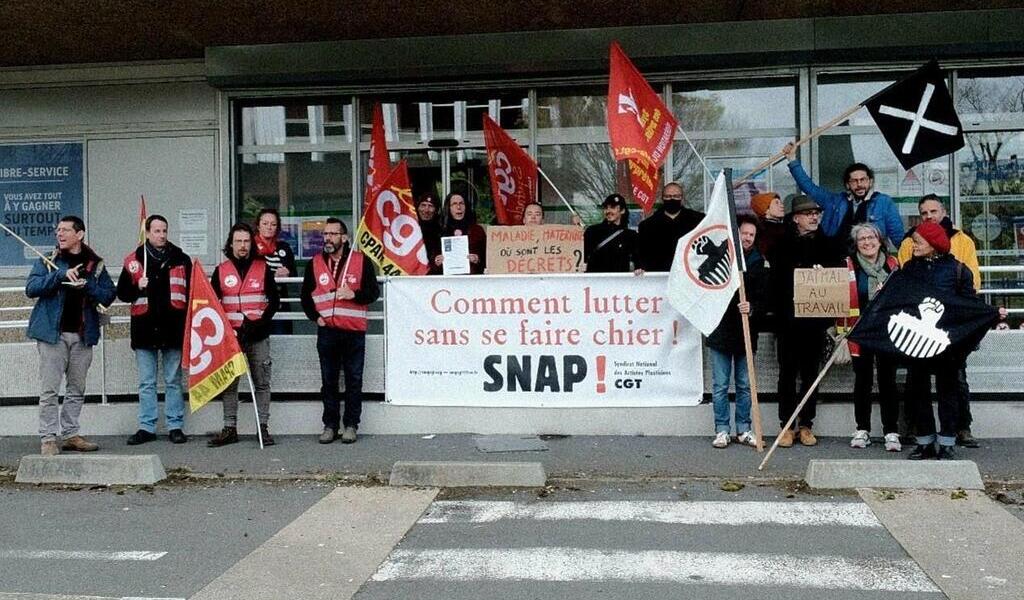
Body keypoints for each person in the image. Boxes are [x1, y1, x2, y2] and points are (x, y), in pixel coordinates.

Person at [26, 216, 116, 455]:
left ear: (80, 234)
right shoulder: (49, 260)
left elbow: (108, 295)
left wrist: (88, 285)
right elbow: (31, 289)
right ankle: (47, 438)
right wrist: (59, 276)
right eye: (58, 230)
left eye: (65, 230)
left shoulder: (95, 264)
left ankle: (70, 434)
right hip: (52, 335)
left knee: (77, 388)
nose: (60, 234)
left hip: (83, 335)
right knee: (50, 390)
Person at [896, 194, 981, 448]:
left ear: (933, 243)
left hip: (947, 341)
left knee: (949, 391)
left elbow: (969, 304)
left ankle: (947, 442)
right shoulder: (910, 268)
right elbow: (900, 298)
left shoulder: (958, 270)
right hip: (918, 341)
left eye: (918, 241)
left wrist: (985, 319)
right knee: (918, 390)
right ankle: (924, 442)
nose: (914, 245)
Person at [767, 196, 845, 448]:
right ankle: (787, 426)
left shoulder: (830, 245)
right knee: (787, 374)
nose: (814, 217)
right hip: (788, 321)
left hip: (816, 322)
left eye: (816, 213)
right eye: (808, 213)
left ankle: (807, 424)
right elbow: (775, 283)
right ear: (795, 218)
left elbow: (838, 279)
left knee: (811, 373)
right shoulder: (780, 245)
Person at [300, 218, 380, 444]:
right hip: (328, 332)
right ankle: (330, 425)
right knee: (329, 381)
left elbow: (373, 293)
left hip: (353, 332)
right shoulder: (314, 263)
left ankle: (351, 425)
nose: (328, 238)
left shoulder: (360, 261)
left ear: (344, 238)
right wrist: (315, 318)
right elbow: (306, 297)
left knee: (354, 380)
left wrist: (354, 294)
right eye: (325, 234)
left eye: (333, 234)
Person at [117, 215, 191, 445]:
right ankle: (146, 427)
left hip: (173, 329)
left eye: (164, 231)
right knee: (146, 382)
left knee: (173, 380)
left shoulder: (181, 259)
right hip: (145, 330)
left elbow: (191, 294)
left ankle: (175, 426)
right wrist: (136, 285)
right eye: (157, 231)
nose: (161, 235)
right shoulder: (134, 260)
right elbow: (122, 294)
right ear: (147, 233)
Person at [207, 223, 280, 447]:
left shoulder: (263, 268)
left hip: (257, 334)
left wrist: (261, 324)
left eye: (246, 241)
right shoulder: (221, 270)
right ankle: (230, 428)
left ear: (252, 243)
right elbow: (212, 304)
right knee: (229, 384)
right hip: (232, 337)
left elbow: (274, 301)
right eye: (238, 241)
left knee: (261, 383)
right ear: (231, 243)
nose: (242, 245)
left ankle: (262, 428)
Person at [707, 215, 767, 448]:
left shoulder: (760, 262)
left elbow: (765, 298)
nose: (748, 238)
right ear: (736, 233)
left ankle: (744, 428)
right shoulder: (722, 257)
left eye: (752, 235)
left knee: (744, 383)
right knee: (720, 384)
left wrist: (752, 307)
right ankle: (722, 429)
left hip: (746, 331)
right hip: (721, 330)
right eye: (744, 233)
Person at [842, 223, 901, 452]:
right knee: (862, 381)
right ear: (856, 244)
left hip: (887, 332)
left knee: (888, 381)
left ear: (880, 240)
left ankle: (891, 431)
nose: (867, 242)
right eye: (862, 239)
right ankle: (862, 429)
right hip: (860, 331)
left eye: (871, 237)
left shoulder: (893, 264)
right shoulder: (848, 265)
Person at [782, 142, 904, 246]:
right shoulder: (835, 201)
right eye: (854, 181)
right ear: (847, 185)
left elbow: (897, 236)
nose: (859, 184)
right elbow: (809, 187)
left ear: (870, 181)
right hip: (837, 263)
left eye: (863, 179)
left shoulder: (883, 202)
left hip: (870, 263)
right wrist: (792, 159)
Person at [637, 182, 704, 272]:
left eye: (676, 196)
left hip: (689, 275)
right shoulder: (647, 226)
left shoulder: (698, 221)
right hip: (658, 277)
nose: (672, 199)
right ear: (662, 198)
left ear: (682, 198)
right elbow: (642, 254)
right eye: (668, 196)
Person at [253, 208, 297, 333]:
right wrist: (273, 276)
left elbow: (294, 274)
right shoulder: (251, 247)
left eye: (273, 224)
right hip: (259, 304)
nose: (269, 227)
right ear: (258, 226)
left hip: (281, 302)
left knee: (283, 339)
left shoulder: (284, 247)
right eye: (265, 224)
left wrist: (287, 274)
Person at [583, 194, 638, 273]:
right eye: (606, 208)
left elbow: (638, 260)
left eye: (613, 207)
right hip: (595, 283)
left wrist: (639, 267)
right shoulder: (592, 231)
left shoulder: (631, 236)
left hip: (619, 283)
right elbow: (580, 256)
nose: (608, 211)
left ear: (622, 210)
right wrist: (576, 230)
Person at [435, 193, 486, 274]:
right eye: (454, 204)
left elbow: (488, 257)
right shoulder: (439, 230)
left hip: (472, 280)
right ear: (448, 208)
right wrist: (437, 261)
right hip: (446, 281)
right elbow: (430, 259)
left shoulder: (477, 230)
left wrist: (478, 259)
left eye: (461, 203)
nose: (459, 207)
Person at [750, 192, 787, 256]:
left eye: (781, 202)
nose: (782, 205)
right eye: (776, 203)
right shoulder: (763, 231)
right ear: (766, 210)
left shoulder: (782, 226)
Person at [416, 193, 443, 275]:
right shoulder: (411, 227)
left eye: (430, 206)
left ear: (436, 210)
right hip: (413, 275)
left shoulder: (442, 230)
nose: (426, 210)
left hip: (435, 276)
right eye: (423, 205)